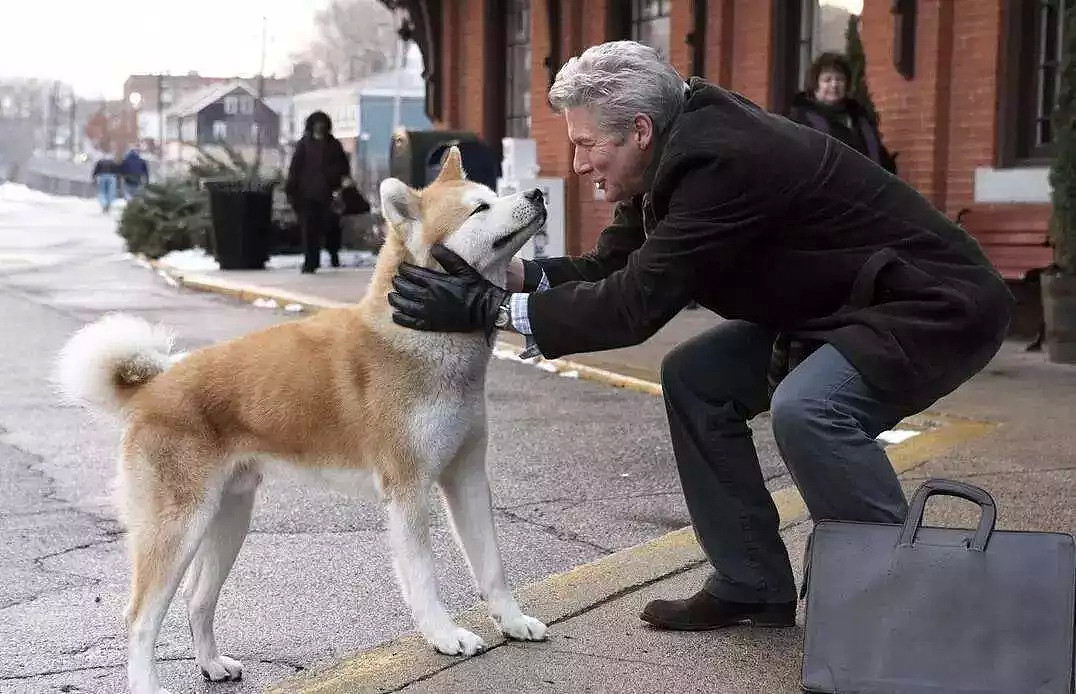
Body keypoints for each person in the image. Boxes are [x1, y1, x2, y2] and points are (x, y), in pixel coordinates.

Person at [387, 41, 1012, 631]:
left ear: (638, 130)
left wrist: (485, 309)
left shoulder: (722, 162)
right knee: (696, 378)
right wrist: (500, 273)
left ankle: (909, 607)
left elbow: (634, 306)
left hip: (929, 304)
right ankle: (751, 582)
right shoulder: (667, 152)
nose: (577, 166)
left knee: (810, 410)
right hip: (840, 306)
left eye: (584, 145)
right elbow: (611, 270)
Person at [789, 52, 896, 174]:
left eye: (839, 79)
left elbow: (879, 157)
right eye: (827, 80)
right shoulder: (800, 121)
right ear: (815, 85)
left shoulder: (861, 118)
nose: (834, 85)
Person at [285, 111, 353, 273]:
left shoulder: (334, 145)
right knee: (309, 229)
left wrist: (338, 181)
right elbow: (295, 168)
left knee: (331, 228)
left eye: (322, 123)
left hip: (329, 194)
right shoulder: (304, 145)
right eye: (317, 123)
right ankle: (310, 262)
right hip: (307, 195)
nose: (320, 126)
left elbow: (344, 167)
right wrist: (292, 189)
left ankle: (333, 254)